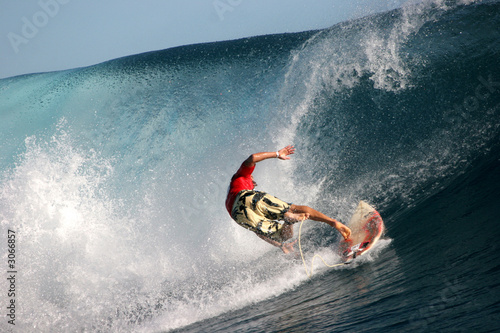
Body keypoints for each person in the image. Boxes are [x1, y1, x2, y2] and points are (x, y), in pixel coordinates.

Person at [226, 145, 351, 254]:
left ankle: (289, 220)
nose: (253, 179)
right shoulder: (241, 176)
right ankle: (332, 222)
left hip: (239, 216)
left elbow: (259, 232)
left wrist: (280, 245)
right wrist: (277, 154)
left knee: (283, 236)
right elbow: (253, 157)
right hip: (246, 197)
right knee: (294, 209)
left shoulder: (231, 197)